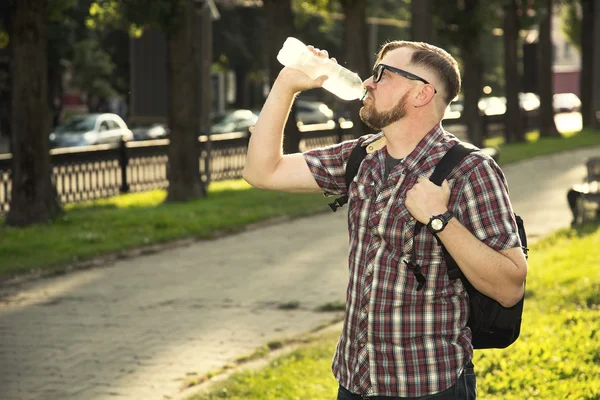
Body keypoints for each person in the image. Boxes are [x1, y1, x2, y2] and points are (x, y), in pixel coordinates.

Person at [243, 40, 528, 399]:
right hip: (355, 379)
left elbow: (509, 287)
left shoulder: (469, 170)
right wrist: (286, 83)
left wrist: (440, 219)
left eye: (383, 74)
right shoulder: (362, 156)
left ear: (422, 93)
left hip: (427, 384)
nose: (367, 83)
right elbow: (261, 171)